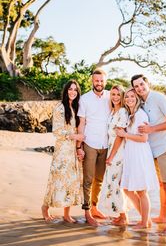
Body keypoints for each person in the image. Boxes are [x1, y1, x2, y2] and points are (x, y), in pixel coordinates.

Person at [131, 74, 166, 236]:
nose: (139, 88)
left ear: (147, 83)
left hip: (165, 147)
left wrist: (152, 129)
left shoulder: (159, 98)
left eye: (141, 84)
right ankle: (162, 216)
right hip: (150, 149)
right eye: (136, 86)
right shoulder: (140, 102)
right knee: (160, 184)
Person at [41, 80, 84, 223]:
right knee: (56, 179)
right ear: (65, 91)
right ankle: (45, 208)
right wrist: (74, 136)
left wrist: (79, 146)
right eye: (70, 89)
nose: (72, 92)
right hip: (62, 150)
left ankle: (67, 214)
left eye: (75, 90)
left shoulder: (77, 108)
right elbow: (57, 131)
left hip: (73, 151)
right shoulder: (60, 107)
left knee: (71, 182)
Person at [116, 88, 158, 229]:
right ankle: (146, 219)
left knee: (141, 191)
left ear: (137, 98)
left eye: (132, 96)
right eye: (127, 97)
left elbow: (143, 138)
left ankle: (144, 222)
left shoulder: (140, 115)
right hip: (131, 153)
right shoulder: (130, 114)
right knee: (127, 189)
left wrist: (124, 134)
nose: (129, 99)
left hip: (139, 153)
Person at [77, 68, 110, 226]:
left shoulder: (111, 96)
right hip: (90, 143)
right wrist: (79, 146)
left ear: (106, 81)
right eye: (96, 80)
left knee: (100, 179)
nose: (99, 83)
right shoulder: (84, 99)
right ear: (92, 81)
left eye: (102, 80)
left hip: (106, 144)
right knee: (88, 179)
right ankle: (87, 212)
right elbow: (81, 123)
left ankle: (95, 207)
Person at [98, 85, 128, 226]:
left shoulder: (122, 112)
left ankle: (123, 216)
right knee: (112, 183)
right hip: (111, 150)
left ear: (122, 97)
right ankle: (120, 214)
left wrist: (111, 157)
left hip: (118, 152)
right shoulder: (113, 112)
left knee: (115, 183)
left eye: (118, 95)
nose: (115, 97)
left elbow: (119, 137)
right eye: (113, 94)